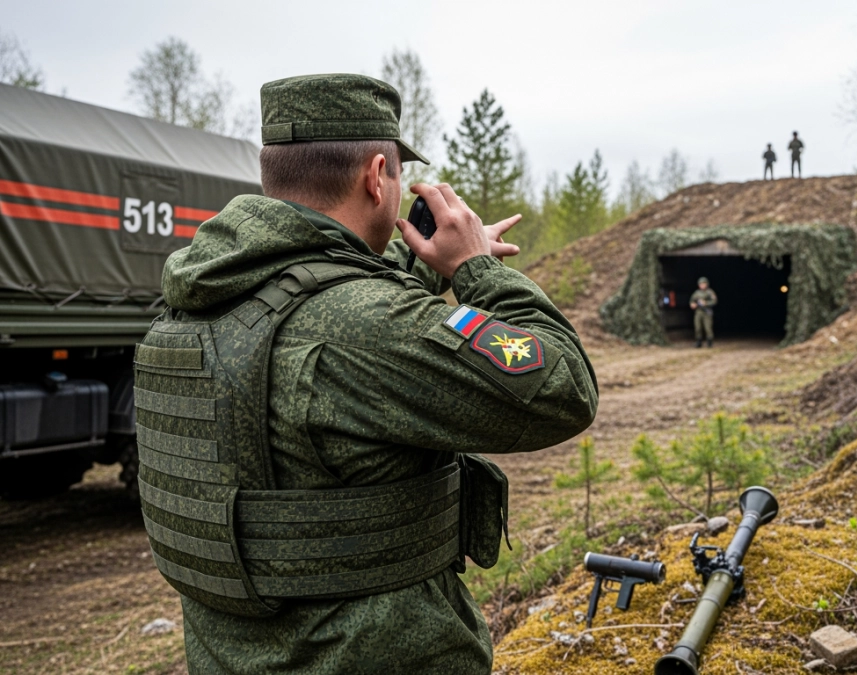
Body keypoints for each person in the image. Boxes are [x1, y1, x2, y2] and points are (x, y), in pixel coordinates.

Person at [134, 74, 598, 674]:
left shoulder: (201, 298)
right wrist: (477, 269)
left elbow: (327, 293)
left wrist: (426, 265)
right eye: (399, 175)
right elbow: (565, 386)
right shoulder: (369, 327)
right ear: (378, 176)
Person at [690, 277, 718, 347]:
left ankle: (709, 341)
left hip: (707, 312)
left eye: (703, 284)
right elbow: (692, 301)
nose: (702, 285)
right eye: (701, 284)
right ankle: (698, 341)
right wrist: (692, 304)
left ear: (707, 284)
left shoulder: (710, 292)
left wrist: (706, 303)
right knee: (698, 327)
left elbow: (714, 301)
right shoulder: (696, 293)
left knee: (708, 327)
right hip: (698, 312)